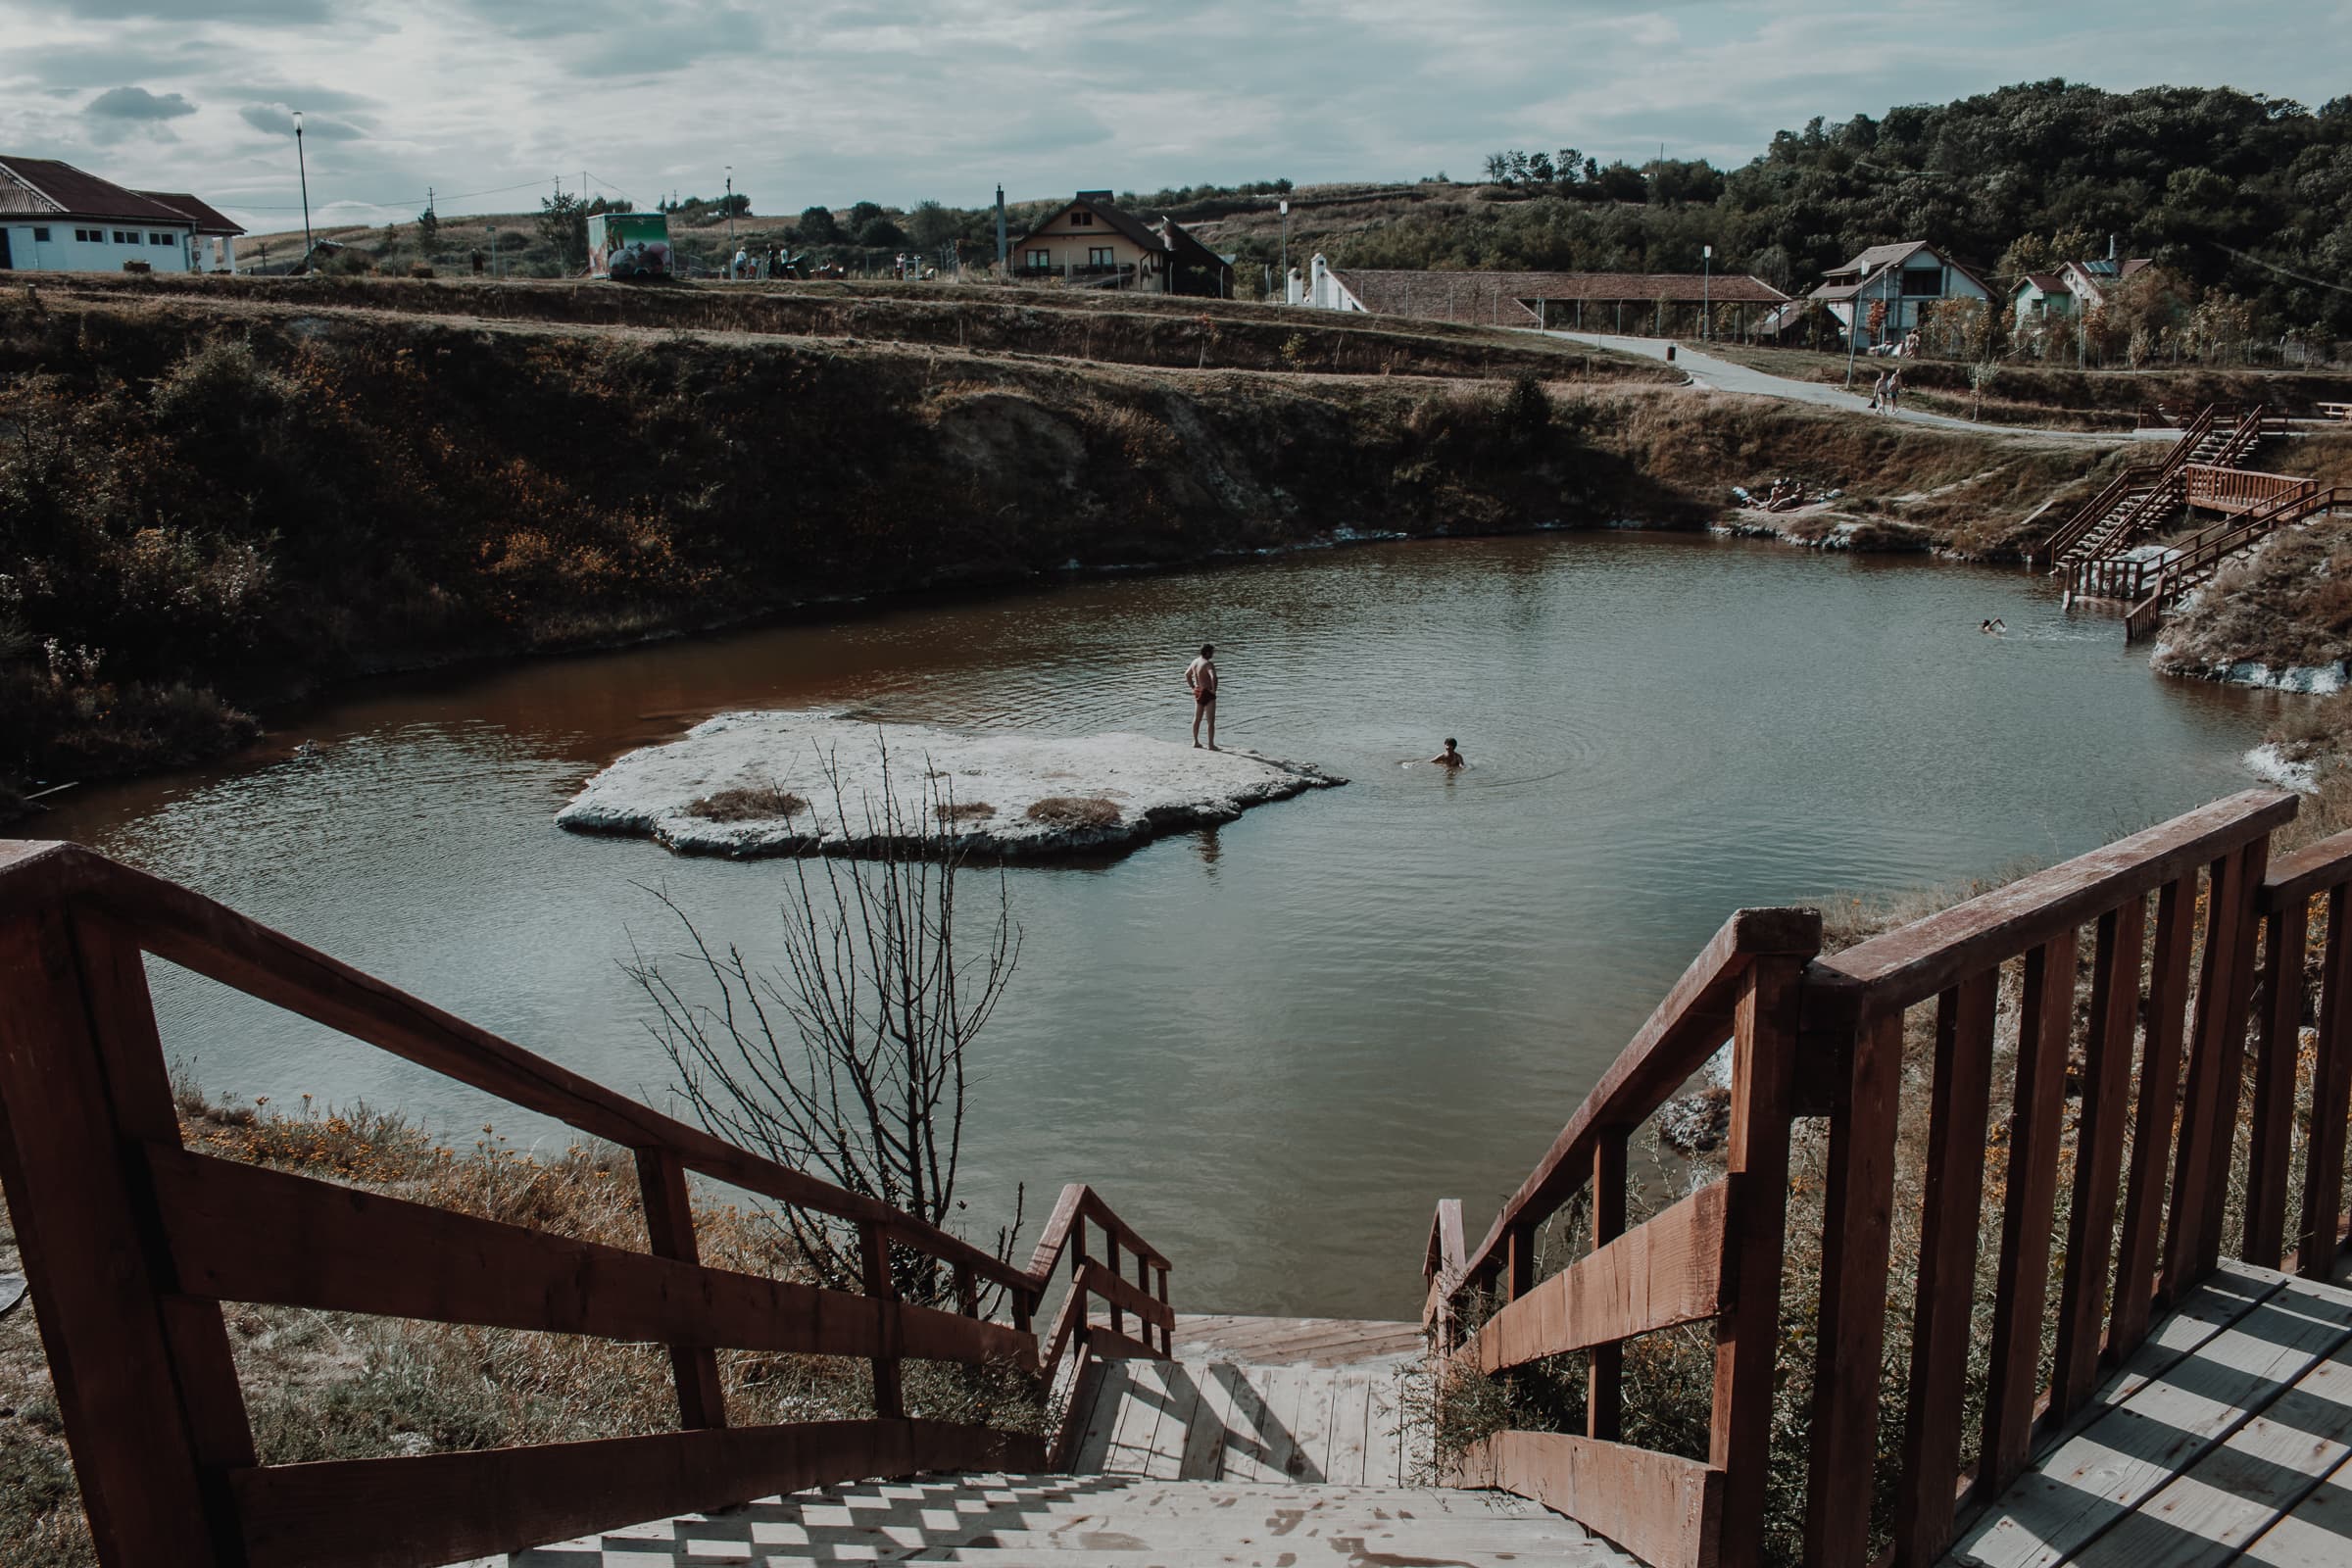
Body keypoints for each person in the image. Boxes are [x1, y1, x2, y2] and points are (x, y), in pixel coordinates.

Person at [1185, 644, 1219, 750]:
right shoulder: (1208, 664)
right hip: (1207, 692)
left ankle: (1195, 741)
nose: (1213, 654)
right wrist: (1213, 690)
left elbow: (1187, 674)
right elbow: (1213, 677)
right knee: (1210, 720)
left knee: (1197, 718)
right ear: (1207, 652)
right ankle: (1211, 744)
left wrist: (1193, 687)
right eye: (1212, 652)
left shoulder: (1195, 662)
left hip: (1198, 691)